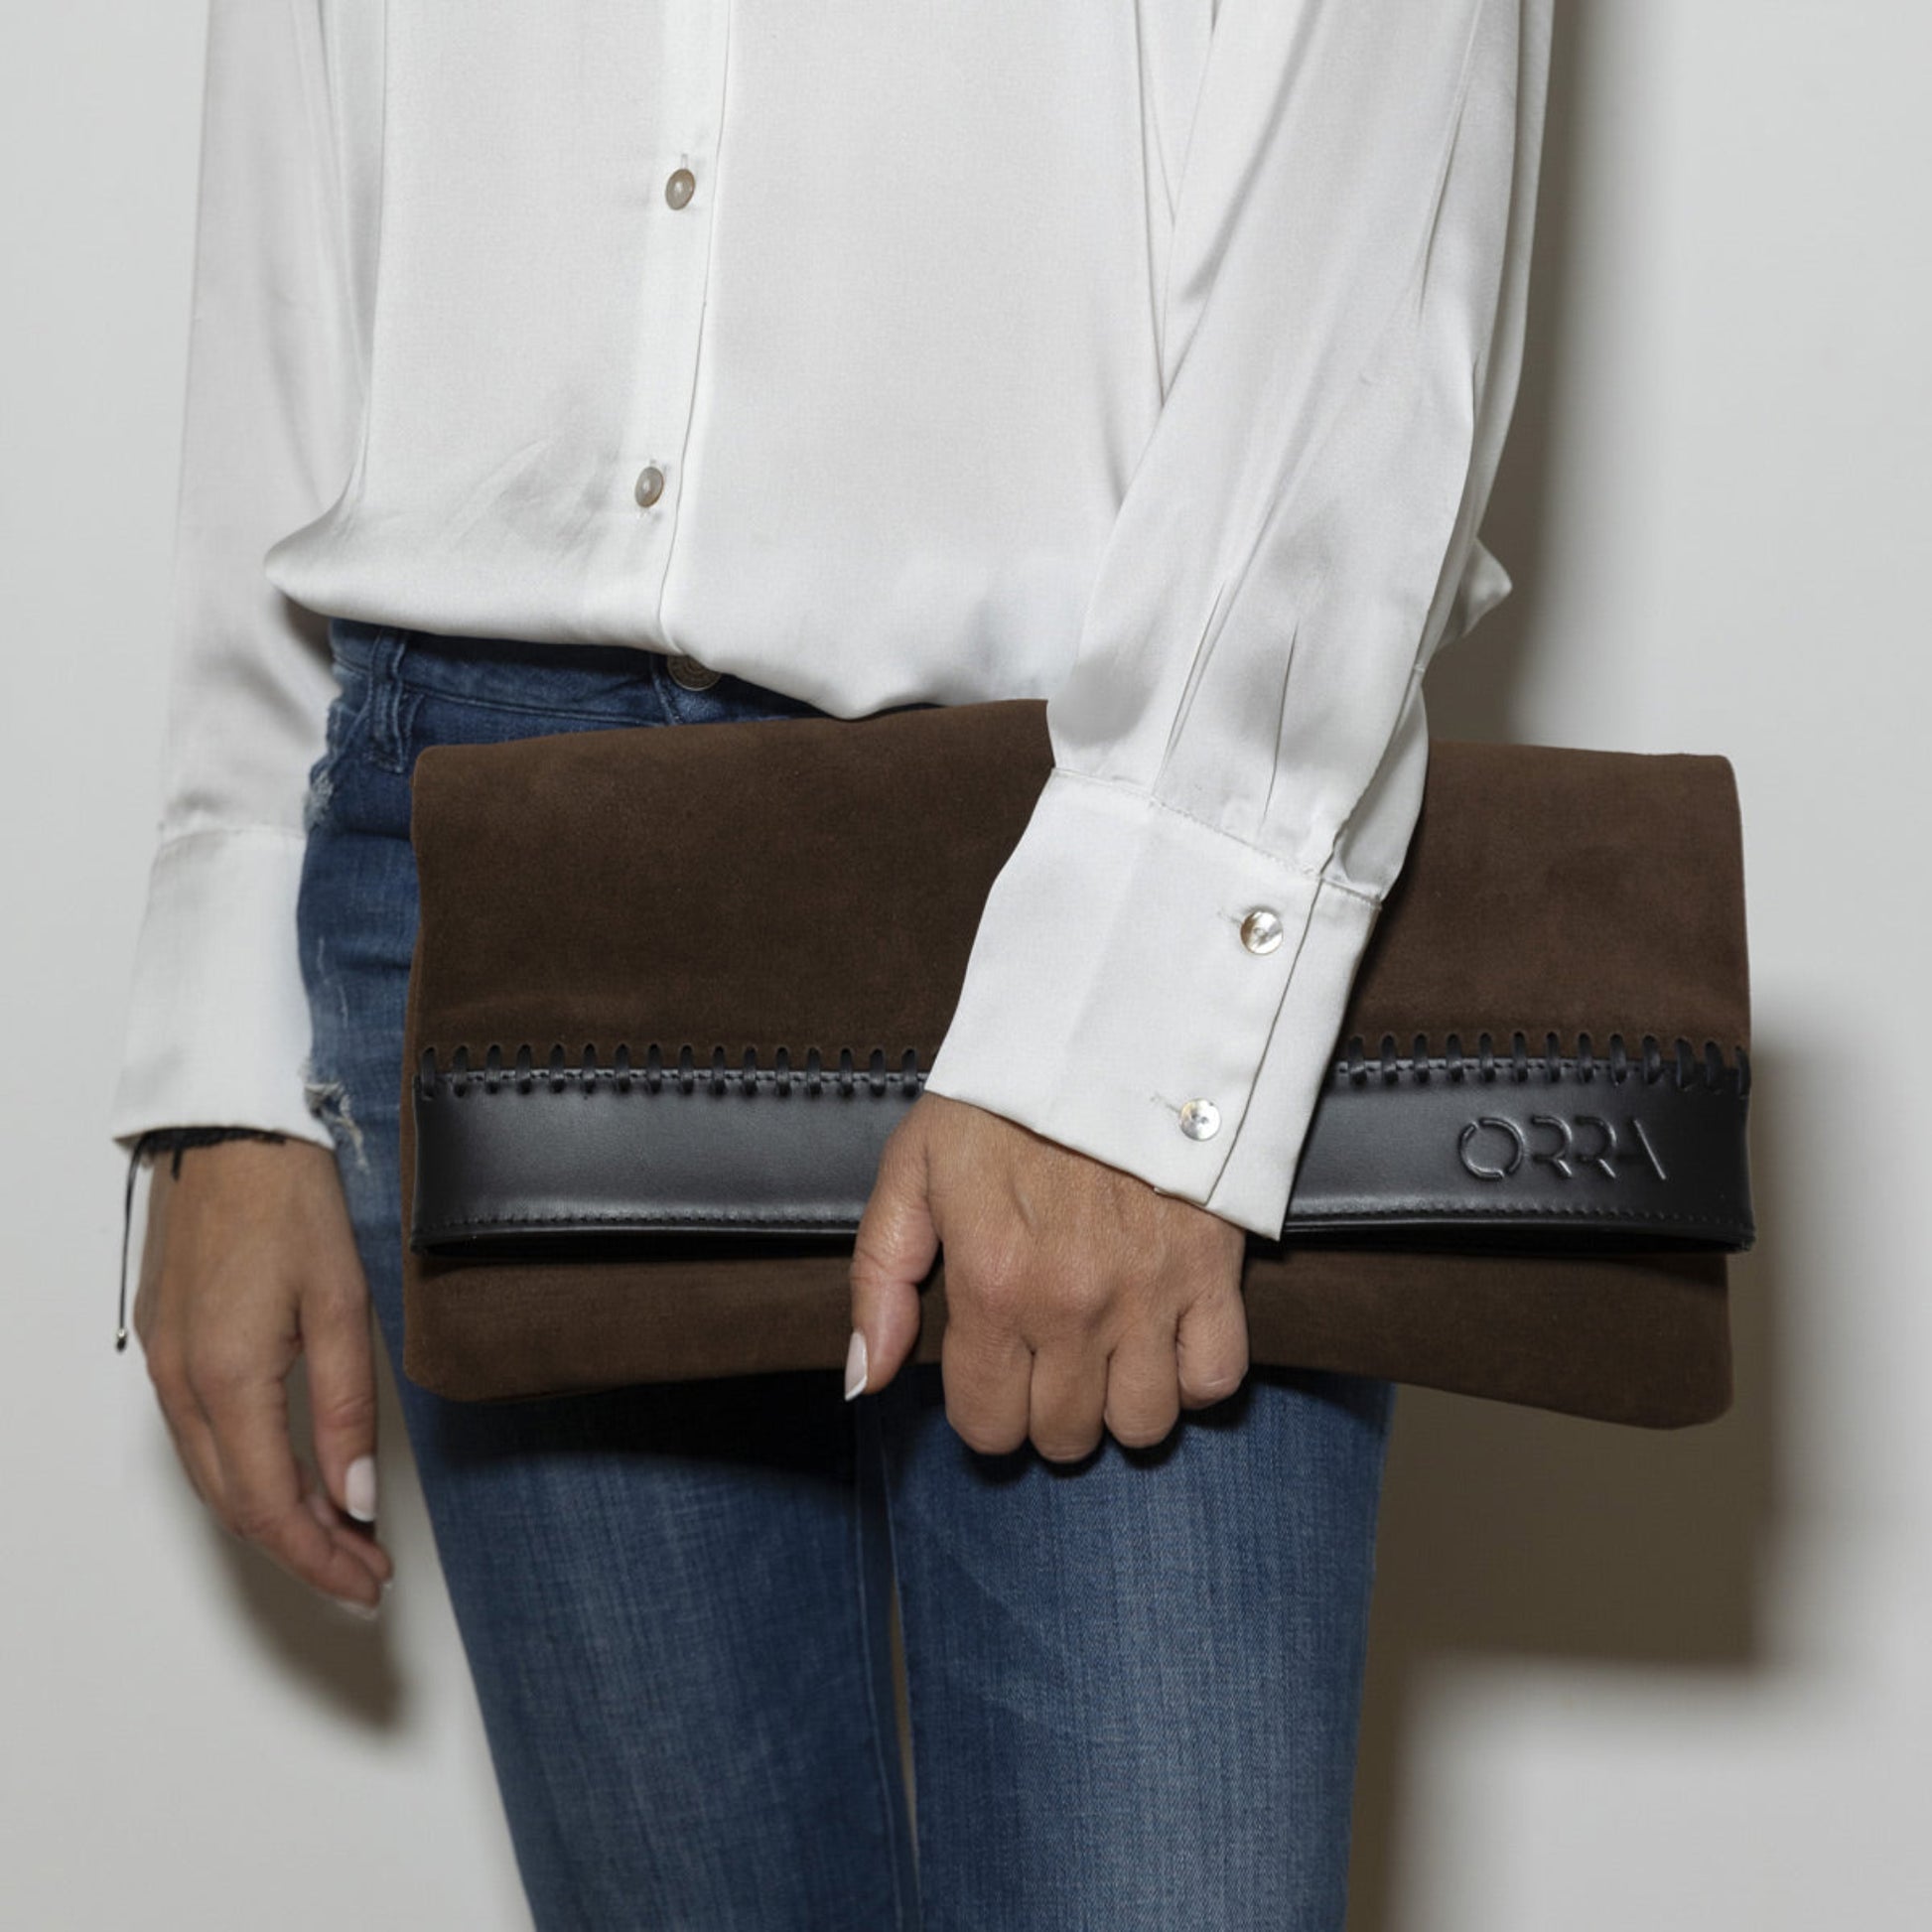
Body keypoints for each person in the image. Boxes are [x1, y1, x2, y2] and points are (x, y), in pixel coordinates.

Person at [111, 3, 1552, 1926]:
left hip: (1094, 804)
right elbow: (289, 135)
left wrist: (1148, 985)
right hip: (501, 846)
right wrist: (237, 1049)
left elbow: (1377, 132)